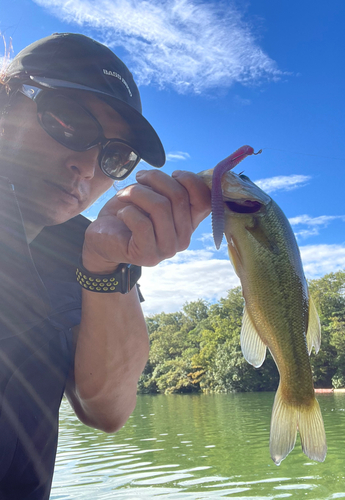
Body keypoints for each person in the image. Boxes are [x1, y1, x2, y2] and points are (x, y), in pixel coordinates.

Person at [0, 33, 211, 499]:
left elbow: (107, 410)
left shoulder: (85, 246)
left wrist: (102, 265)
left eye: (114, 156)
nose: (86, 167)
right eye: (68, 121)